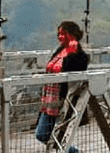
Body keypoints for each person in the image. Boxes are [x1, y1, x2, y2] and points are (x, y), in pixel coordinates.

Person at [35, 21, 89, 153]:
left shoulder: (79, 55)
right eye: (58, 34)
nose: (60, 37)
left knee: (46, 134)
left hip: (63, 101)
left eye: (63, 34)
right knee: (44, 134)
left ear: (71, 35)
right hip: (49, 100)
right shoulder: (60, 50)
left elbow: (74, 71)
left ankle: (72, 152)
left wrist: (72, 51)